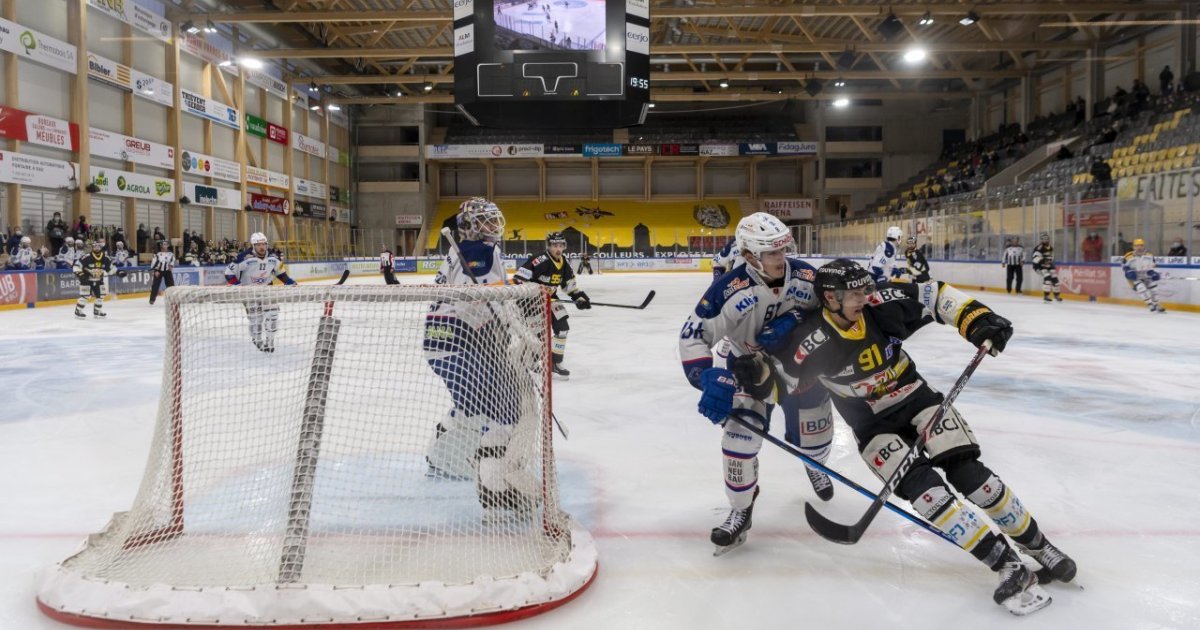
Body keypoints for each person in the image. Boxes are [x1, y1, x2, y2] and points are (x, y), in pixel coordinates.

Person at [735, 259, 1075, 614]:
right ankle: (1007, 564)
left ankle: (1042, 548)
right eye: (854, 293)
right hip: (872, 426)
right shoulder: (811, 340)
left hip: (918, 399)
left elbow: (935, 294)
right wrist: (755, 376)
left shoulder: (882, 304)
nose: (864, 297)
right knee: (927, 494)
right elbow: (781, 383)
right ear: (830, 298)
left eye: (865, 289)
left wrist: (977, 319)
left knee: (973, 477)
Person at [680, 212, 835, 555]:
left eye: (783, 250)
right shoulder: (727, 290)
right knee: (738, 441)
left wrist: (797, 321)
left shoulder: (808, 277)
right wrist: (706, 375)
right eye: (772, 253)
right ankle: (741, 509)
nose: (782, 258)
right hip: (750, 369)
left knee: (815, 443)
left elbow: (835, 316)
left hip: (804, 368)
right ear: (750, 255)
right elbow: (692, 337)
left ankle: (815, 463)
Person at [422, 198, 534, 520]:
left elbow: (486, 295)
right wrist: (515, 325)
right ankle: (495, 491)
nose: (492, 227)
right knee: (505, 409)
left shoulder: (464, 250)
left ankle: (440, 457)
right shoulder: (479, 252)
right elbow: (485, 301)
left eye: (493, 221)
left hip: (442, 343)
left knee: (472, 407)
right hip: (460, 342)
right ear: (469, 224)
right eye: (484, 222)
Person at [513, 232, 592, 378]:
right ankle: (527, 362)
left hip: (551, 299)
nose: (558, 249)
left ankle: (555, 363)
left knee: (562, 328)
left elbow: (569, 285)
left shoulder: (564, 262)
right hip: (531, 302)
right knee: (539, 338)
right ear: (549, 246)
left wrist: (577, 297)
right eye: (555, 245)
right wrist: (535, 288)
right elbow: (518, 279)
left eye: (561, 245)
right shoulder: (539, 260)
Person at [224, 232, 297, 352]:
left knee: (273, 315)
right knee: (256, 319)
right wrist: (238, 285)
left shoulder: (274, 256)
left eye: (264, 244)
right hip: (249, 292)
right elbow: (228, 273)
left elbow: (280, 273)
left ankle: (270, 341)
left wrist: (288, 281)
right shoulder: (243, 257)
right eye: (258, 245)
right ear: (253, 246)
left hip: (267, 290)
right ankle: (257, 340)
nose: (262, 247)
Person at [73, 239, 124, 319]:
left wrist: (119, 272)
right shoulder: (86, 257)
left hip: (98, 280)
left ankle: (97, 311)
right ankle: (78, 311)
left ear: (101, 247)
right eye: (95, 246)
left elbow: (111, 268)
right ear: (92, 247)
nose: (97, 248)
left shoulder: (105, 258)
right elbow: (76, 266)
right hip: (86, 280)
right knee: (85, 296)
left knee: (101, 295)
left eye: (98, 246)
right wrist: (81, 275)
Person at [1123, 238, 1166, 313]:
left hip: (1147, 276)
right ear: (1133, 247)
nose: (1139, 248)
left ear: (1143, 246)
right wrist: (1129, 272)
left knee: (1154, 290)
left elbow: (1151, 267)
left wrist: (1153, 273)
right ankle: (1150, 304)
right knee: (1141, 288)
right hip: (1136, 277)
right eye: (1137, 246)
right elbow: (1124, 267)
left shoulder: (1149, 255)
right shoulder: (1128, 256)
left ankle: (1157, 304)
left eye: (1141, 245)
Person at [1031, 233, 1061, 302]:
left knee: (1055, 278)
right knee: (1047, 277)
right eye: (1044, 239)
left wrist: (1049, 262)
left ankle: (1057, 295)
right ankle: (1046, 296)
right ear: (1041, 240)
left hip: (1048, 266)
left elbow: (1051, 257)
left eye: (1047, 239)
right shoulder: (1039, 248)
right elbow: (1035, 258)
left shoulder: (1050, 247)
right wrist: (1043, 261)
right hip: (1039, 267)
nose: (1046, 240)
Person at [149, 240, 177, 306]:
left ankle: (172, 299)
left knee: (171, 286)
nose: (165, 245)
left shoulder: (170, 254)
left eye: (166, 244)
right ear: (161, 245)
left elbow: (173, 260)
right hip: (159, 271)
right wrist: (155, 271)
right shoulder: (157, 254)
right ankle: (152, 299)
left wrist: (171, 265)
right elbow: (153, 263)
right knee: (155, 285)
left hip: (167, 271)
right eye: (164, 244)